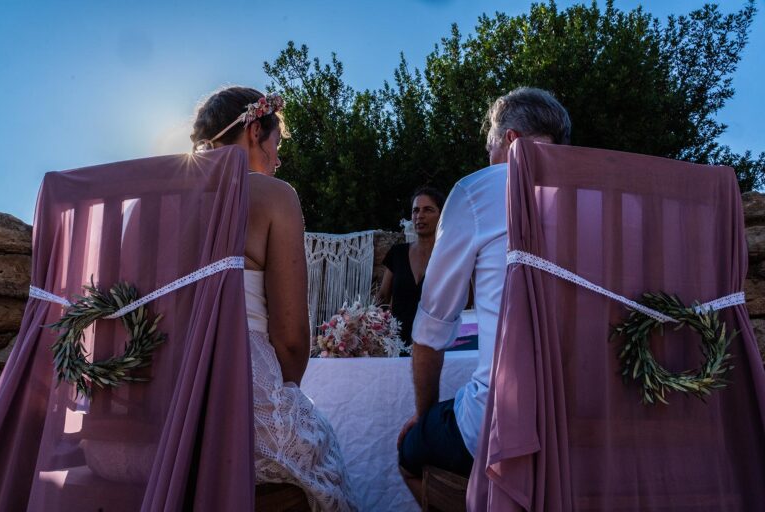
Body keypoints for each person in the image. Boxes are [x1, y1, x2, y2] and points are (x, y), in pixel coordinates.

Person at [397, 87, 572, 503]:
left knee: (410, 451)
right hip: (583, 419)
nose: (488, 155)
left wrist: (424, 419)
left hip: (500, 423)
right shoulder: (593, 196)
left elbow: (432, 328)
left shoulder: (479, 190)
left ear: (509, 139)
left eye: (489, 144)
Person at [191, 86, 357, 511]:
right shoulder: (272, 196)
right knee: (324, 456)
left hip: (157, 406)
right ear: (253, 131)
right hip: (237, 410)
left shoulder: (149, 205)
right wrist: (280, 400)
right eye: (276, 143)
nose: (278, 159)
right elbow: (291, 341)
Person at [377, 187, 445, 347]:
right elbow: (382, 298)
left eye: (428, 210)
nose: (420, 216)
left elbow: (466, 302)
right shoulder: (397, 253)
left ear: (441, 215)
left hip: (437, 345)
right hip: (397, 345)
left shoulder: (449, 257)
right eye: (416, 210)